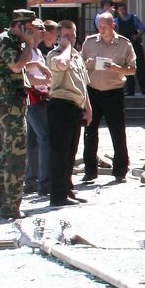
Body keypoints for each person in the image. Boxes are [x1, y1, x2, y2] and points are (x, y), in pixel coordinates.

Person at [0, 10, 40, 219]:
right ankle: (10, 208)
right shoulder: (6, 41)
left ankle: (2, 206)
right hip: (10, 104)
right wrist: (29, 45)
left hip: (13, 103)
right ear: (19, 26)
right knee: (16, 157)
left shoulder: (13, 41)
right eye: (28, 29)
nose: (31, 33)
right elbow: (15, 65)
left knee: (7, 156)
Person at [80, 10, 135, 183]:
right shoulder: (89, 43)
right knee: (90, 132)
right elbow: (78, 66)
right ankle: (90, 170)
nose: (101, 29)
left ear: (113, 25)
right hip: (93, 91)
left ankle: (120, 170)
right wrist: (86, 65)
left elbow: (133, 69)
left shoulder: (125, 44)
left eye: (105, 26)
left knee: (118, 132)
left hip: (114, 92)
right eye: (99, 26)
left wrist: (117, 68)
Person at [46, 20, 91, 207]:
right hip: (60, 106)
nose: (71, 39)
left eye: (73, 35)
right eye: (66, 36)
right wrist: (65, 47)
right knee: (59, 153)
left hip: (75, 107)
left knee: (71, 153)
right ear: (59, 37)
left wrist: (88, 109)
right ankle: (57, 196)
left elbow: (83, 84)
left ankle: (68, 189)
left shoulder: (78, 57)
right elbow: (62, 65)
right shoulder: (54, 55)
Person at [22, 20, 53, 198]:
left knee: (32, 142)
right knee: (45, 139)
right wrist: (49, 82)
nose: (43, 31)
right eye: (40, 28)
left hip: (38, 99)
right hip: (34, 99)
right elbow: (26, 77)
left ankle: (31, 181)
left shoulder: (37, 51)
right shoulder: (26, 51)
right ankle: (44, 183)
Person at [113, 0, 145, 95]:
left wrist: (137, 35)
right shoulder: (116, 21)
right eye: (120, 9)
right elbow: (114, 32)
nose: (122, 11)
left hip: (135, 45)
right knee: (127, 69)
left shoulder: (134, 18)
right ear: (118, 11)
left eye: (124, 9)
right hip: (124, 48)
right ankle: (130, 91)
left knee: (140, 68)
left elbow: (143, 29)